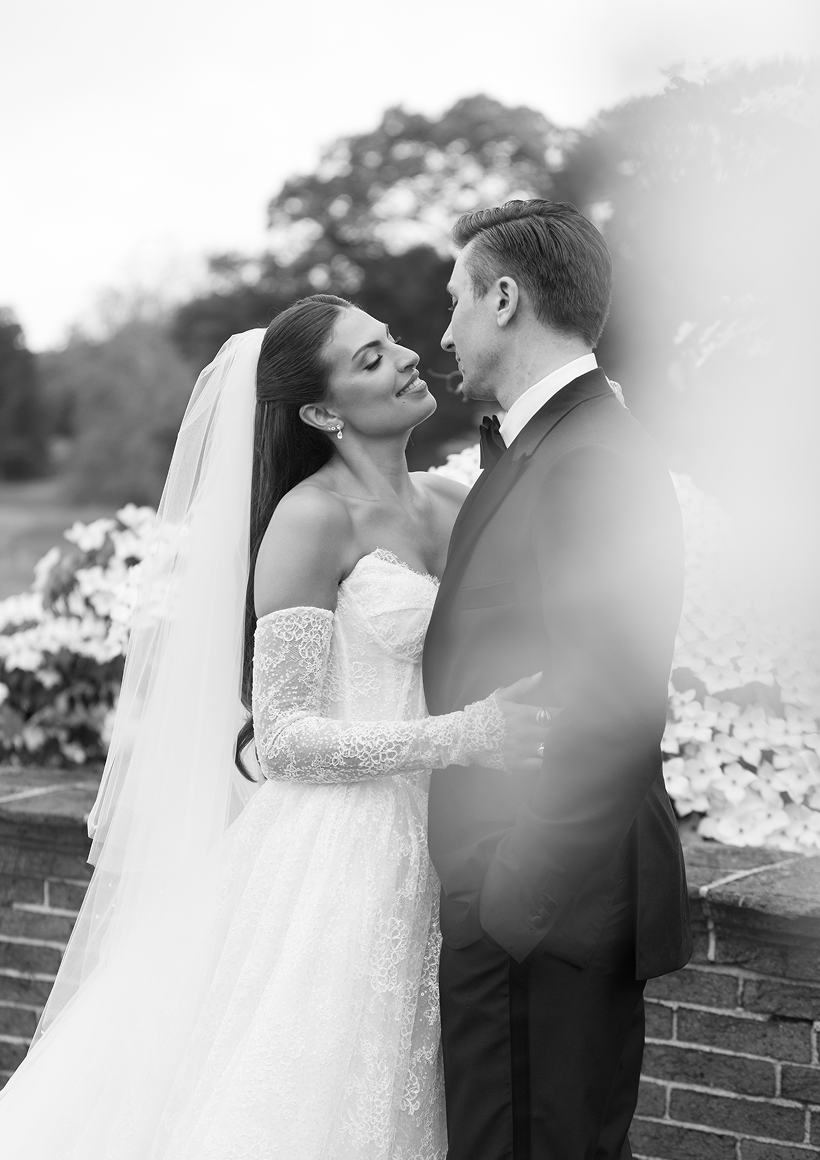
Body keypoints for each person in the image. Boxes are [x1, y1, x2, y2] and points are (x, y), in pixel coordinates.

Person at [0, 296, 547, 1159]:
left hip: (463, 846)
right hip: (347, 858)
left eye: (392, 341)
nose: (407, 357)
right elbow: (286, 736)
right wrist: (457, 737)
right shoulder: (308, 519)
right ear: (323, 413)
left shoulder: (455, 500)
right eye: (369, 359)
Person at [423, 200, 693, 1160]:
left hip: (542, 912)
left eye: (455, 299)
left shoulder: (595, 460)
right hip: (518, 912)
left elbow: (614, 702)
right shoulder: (544, 446)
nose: (443, 328)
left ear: (506, 299)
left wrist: (512, 895)